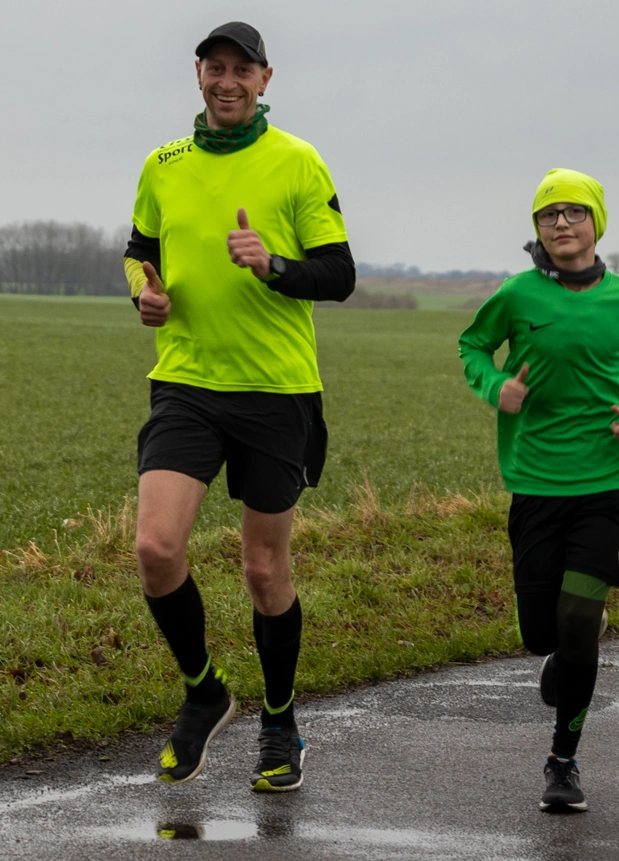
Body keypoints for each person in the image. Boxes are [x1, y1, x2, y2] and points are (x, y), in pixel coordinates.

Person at [124, 21, 355, 792]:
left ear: (265, 80)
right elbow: (139, 249)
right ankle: (203, 691)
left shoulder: (296, 160)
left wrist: (274, 264)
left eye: (242, 71)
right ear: (198, 75)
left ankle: (281, 718)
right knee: (156, 549)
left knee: (263, 569)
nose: (227, 81)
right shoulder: (163, 163)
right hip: (186, 381)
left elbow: (340, 273)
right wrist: (144, 295)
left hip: (276, 391)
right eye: (214, 68)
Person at [458, 169, 619, 811]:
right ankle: (574, 639)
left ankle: (563, 760)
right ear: (537, 229)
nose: (560, 224)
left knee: (576, 622)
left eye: (574, 213)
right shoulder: (517, 296)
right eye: (548, 215)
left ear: (595, 223)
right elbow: (473, 347)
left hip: (609, 481)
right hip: (536, 482)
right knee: (538, 635)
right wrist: (498, 388)